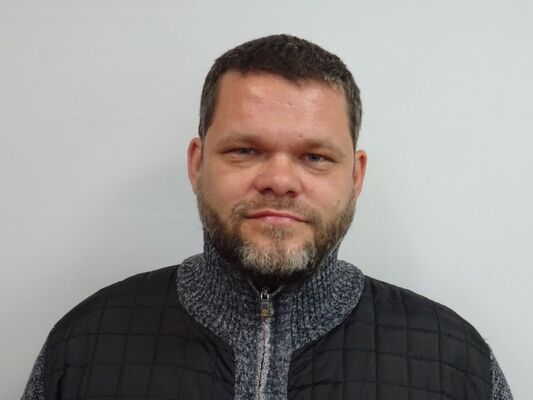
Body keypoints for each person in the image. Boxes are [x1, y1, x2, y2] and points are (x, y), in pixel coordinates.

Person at [22, 34, 512, 400]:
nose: (279, 180)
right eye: (245, 150)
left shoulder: (455, 360)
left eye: (315, 157)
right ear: (197, 164)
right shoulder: (86, 343)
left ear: (356, 176)